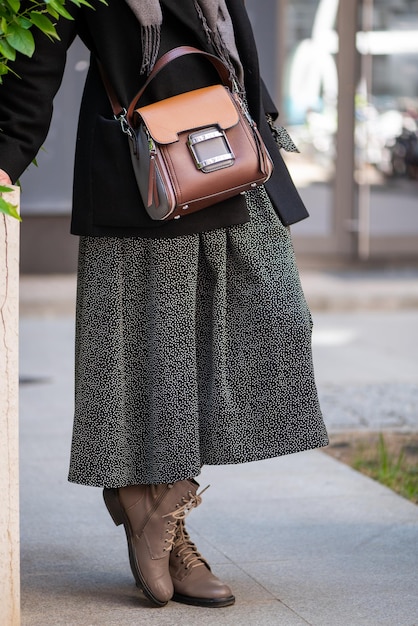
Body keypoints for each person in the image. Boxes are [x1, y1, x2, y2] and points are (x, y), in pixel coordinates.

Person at [0, 0, 328, 610]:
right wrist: (5, 157)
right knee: (156, 356)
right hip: (148, 171)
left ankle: (154, 503)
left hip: (231, 145)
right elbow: (36, 49)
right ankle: (161, 513)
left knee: (279, 327)